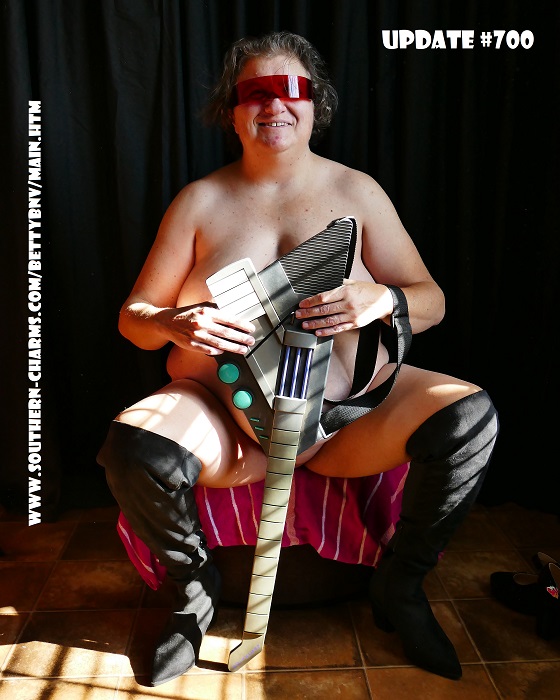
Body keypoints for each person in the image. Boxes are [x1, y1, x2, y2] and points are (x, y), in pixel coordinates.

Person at [97, 31, 498, 686]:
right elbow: (132, 318)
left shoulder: (359, 193)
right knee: (133, 448)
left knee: (469, 419)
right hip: (228, 424)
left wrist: (383, 298)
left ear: (316, 105)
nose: (275, 104)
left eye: (292, 89)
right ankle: (191, 593)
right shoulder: (199, 201)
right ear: (232, 111)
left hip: (347, 420)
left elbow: (433, 301)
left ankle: (400, 587)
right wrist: (172, 322)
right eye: (255, 91)